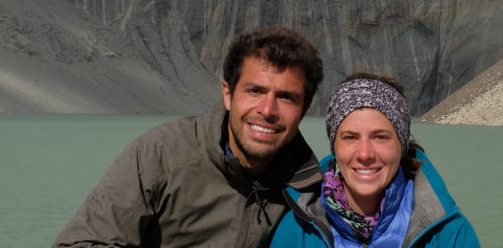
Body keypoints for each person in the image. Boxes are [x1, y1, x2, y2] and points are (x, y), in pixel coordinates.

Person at [52, 26, 325, 248]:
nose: (267, 110)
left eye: (286, 97)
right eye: (255, 91)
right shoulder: (160, 155)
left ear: (304, 109)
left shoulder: (310, 187)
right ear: (228, 94)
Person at [271, 72, 480, 247]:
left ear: (402, 145)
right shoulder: (297, 231)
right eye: (350, 137)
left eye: (380, 137)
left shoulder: (450, 234)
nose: (365, 154)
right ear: (334, 146)